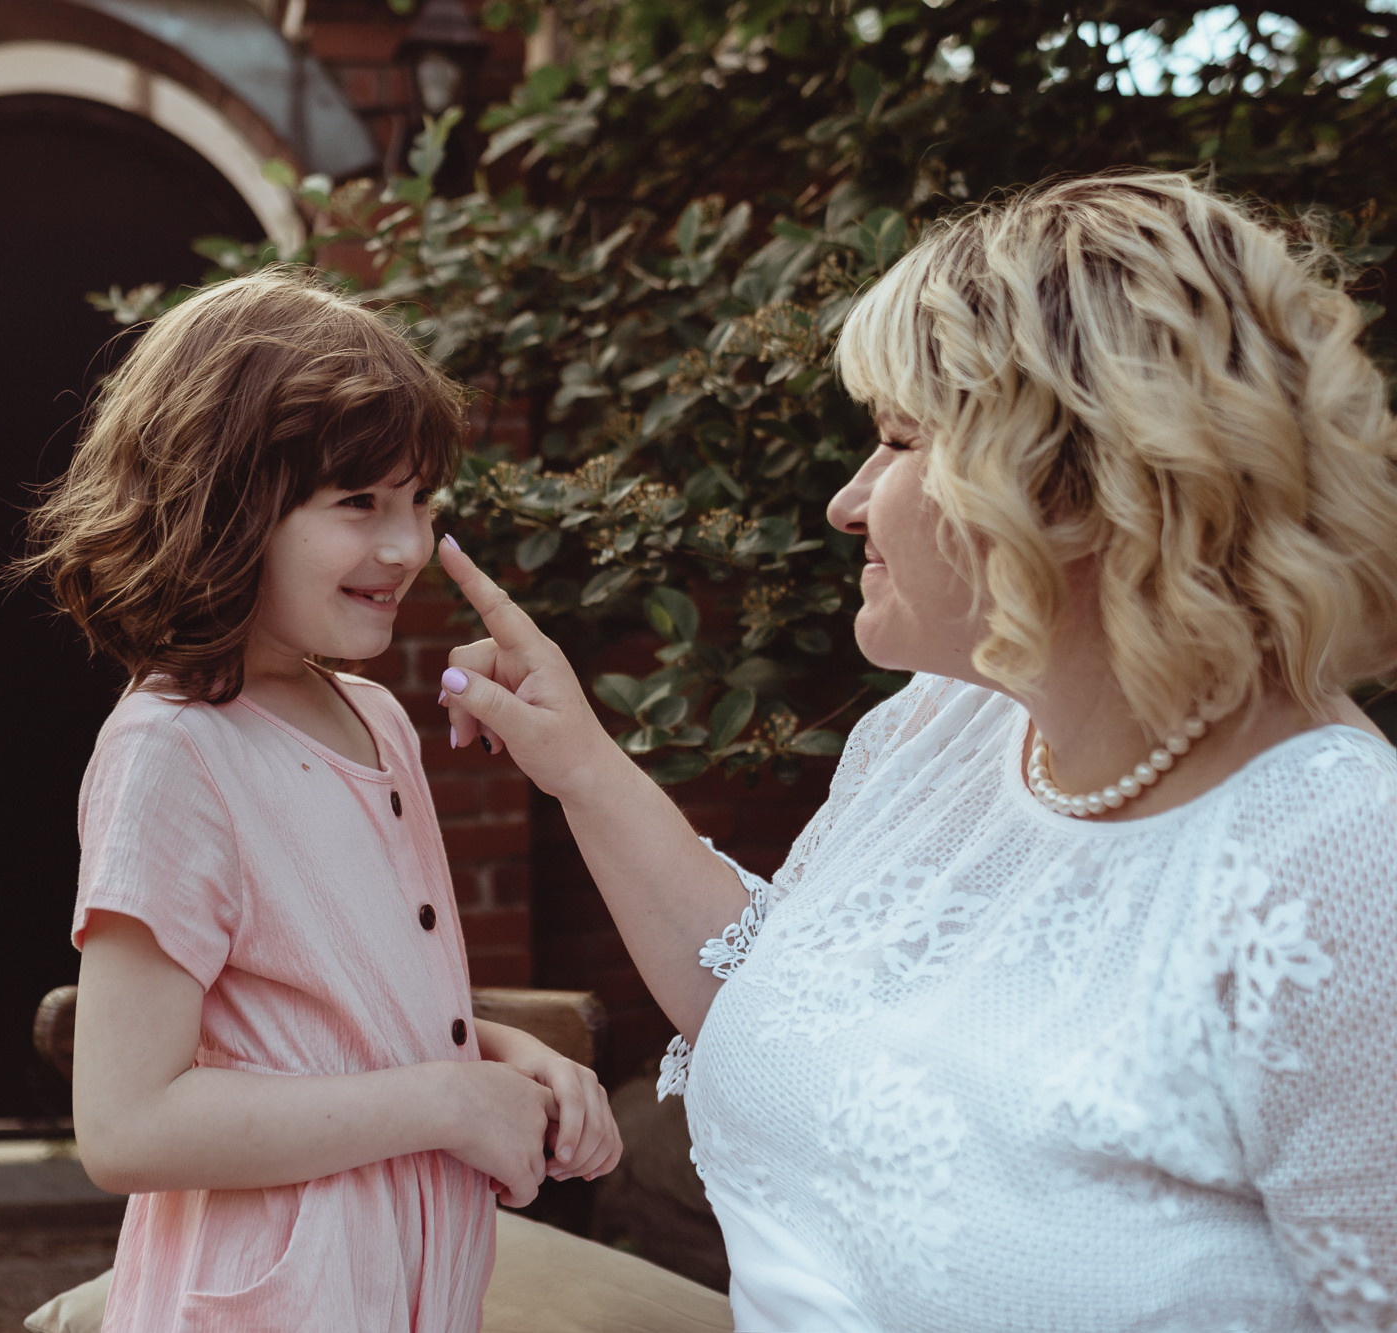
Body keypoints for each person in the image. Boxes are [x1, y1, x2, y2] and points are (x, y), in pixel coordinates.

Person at [432, 171, 1397, 1332]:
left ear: (1078, 487)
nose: (848, 501)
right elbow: (772, 1001)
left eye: (897, 441)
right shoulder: (938, 725)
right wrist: (577, 760)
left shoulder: (1336, 861)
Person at [14, 268, 622, 1333]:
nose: (405, 546)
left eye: (419, 501)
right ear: (224, 501)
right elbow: (125, 1123)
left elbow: (329, 1024)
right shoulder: (172, 751)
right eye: (359, 503)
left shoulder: (377, 720)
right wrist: (443, 1101)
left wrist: (504, 1063)